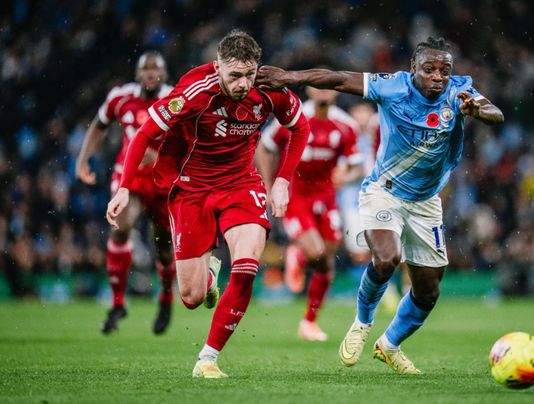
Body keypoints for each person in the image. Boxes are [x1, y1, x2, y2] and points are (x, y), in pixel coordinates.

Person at [257, 36, 504, 374]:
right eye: (429, 69)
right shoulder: (392, 86)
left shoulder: (460, 92)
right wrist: (289, 77)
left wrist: (477, 109)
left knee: (428, 291)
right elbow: (339, 79)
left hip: (426, 202)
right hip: (383, 192)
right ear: (413, 68)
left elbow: (495, 113)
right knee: (387, 258)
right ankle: (362, 322)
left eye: (444, 71)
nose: (437, 77)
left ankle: (389, 345)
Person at [106, 30, 309, 378]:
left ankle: (208, 358)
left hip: (241, 183)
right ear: (217, 67)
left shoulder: (269, 88)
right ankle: (209, 275)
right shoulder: (194, 90)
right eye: (235, 75)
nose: (243, 83)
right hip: (192, 188)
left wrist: (282, 181)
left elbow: (300, 128)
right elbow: (144, 135)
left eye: (249, 74)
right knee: (191, 297)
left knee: (246, 267)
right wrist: (124, 188)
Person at [76, 51, 177, 335]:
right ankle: (118, 302)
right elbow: (99, 124)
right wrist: (83, 159)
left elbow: (188, 137)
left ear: (164, 74)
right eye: (145, 68)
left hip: (162, 180)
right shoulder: (120, 97)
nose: (150, 73)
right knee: (121, 226)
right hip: (129, 177)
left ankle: (166, 296)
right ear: (137, 73)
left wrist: (162, 156)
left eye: (156, 68)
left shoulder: (176, 99)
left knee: (164, 246)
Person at [255, 86, 363, 342]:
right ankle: (298, 254)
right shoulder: (293, 118)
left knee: (326, 263)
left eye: (327, 87)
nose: (323, 92)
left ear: (335, 92)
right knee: (315, 252)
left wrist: (345, 176)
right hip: (297, 197)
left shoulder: (345, 125)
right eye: (318, 86)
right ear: (309, 90)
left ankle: (309, 322)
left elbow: (356, 167)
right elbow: (264, 148)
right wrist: (269, 186)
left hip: (327, 199)